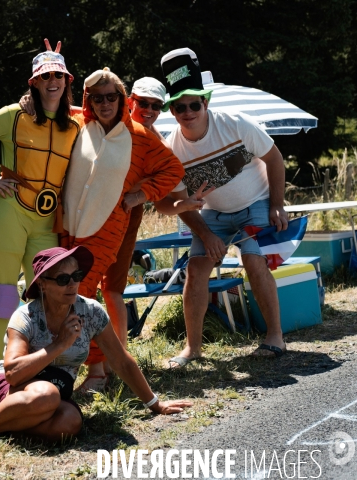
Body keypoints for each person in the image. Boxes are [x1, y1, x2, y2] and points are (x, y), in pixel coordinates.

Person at [0, 247, 192, 453]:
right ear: (42, 284)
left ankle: (5, 428)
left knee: (71, 422)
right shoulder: (26, 316)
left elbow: (121, 361)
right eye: (63, 279)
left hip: (53, 396)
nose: (73, 284)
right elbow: (12, 373)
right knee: (47, 394)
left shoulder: (91, 311)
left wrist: (155, 404)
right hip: (8, 391)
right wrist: (59, 345)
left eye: (76, 275)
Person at [0, 39, 80, 364]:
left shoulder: (76, 125)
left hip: (46, 222)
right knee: (5, 297)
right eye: (45, 76)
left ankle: (44, 364)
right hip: (7, 216)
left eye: (58, 76)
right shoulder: (14, 116)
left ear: (67, 81)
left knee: (50, 294)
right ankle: (2, 370)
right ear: (34, 82)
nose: (53, 82)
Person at [159, 47, 288, 368]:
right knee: (196, 268)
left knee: (253, 260)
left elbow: (275, 159)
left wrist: (277, 205)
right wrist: (206, 233)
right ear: (172, 110)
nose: (187, 111)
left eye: (193, 104)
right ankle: (193, 349)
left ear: (206, 102)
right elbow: (179, 204)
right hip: (213, 215)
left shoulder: (236, 124)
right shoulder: (171, 148)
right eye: (179, 106)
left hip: (255, 203)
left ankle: (275, 337)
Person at [60, 68, 185, 391]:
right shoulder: (78, 125)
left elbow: (173, 170)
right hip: (68, 225)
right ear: (88, 101)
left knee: (82, 294)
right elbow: (55, 108)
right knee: (68, 293)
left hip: (107, 227)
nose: (104, 103)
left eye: (111, 97)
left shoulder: (141, 137)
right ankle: (86, 363)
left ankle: (99, 371)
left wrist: (141, 194)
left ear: (121, 99)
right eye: (97, 98)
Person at [101, 77, 214, 375]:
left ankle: (118, 362)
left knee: (113, 287)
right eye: (143, 103)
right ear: (129, 101)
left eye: (155, 105)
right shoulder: (106, 121)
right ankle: (85, 361)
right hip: (87, 213)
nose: (148, 110)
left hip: (126, 216)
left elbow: (163, 203)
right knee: (81, 285)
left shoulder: (159, 148)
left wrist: (184, 206)